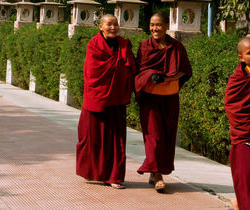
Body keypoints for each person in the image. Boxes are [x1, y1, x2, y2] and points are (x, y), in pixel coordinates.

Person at [76, 14, 136, 189]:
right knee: (91, 137)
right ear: (100, 27)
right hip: (96, 98)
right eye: (109, 24)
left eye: (116, 24)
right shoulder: (93, 45)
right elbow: (92, 72)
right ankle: (92, 172)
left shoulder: (124, 45)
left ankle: (114, 176)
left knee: (115, 140)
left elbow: (131, 68)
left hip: (116, 99)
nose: (113, 27)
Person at [134, 11, 192, 193]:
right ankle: (158, 175)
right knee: (154, 136)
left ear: (166, 25)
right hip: (150, 98)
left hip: (170, 96)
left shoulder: (176, 46)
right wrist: (151, 75)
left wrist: (167, 78)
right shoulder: (144, 46)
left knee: (167, 136)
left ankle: (155, 171)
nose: (154, 28)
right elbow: (138, 71)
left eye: (158, 24)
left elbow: (185, 70)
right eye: (152, 25)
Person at [225, 37, 250, 210]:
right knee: (248, 189)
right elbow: (232, 107)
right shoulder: (237, 80)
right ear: (241, 58)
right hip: (245, 140)